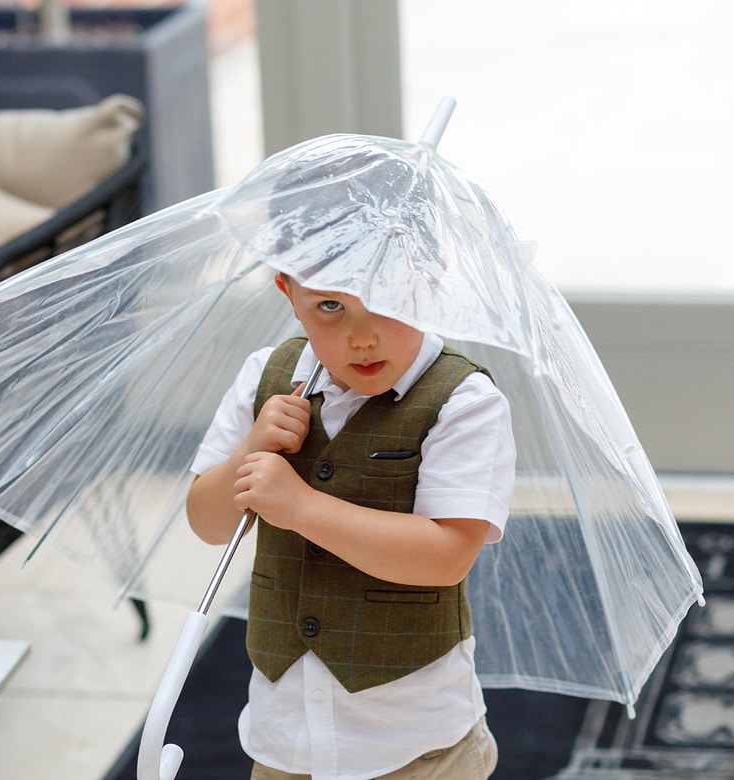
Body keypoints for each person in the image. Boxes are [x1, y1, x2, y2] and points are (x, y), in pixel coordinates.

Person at [186, 270, 515, 779]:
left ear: (428, 284)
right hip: (286, 741)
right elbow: (206, 523)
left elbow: (448, 554)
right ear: (290, 296)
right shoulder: (264, 377)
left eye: (386, 300)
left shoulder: (463, 400)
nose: (363, 337)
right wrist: (247, 453)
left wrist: (300, 507)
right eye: (330, 307)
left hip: (415, 744)